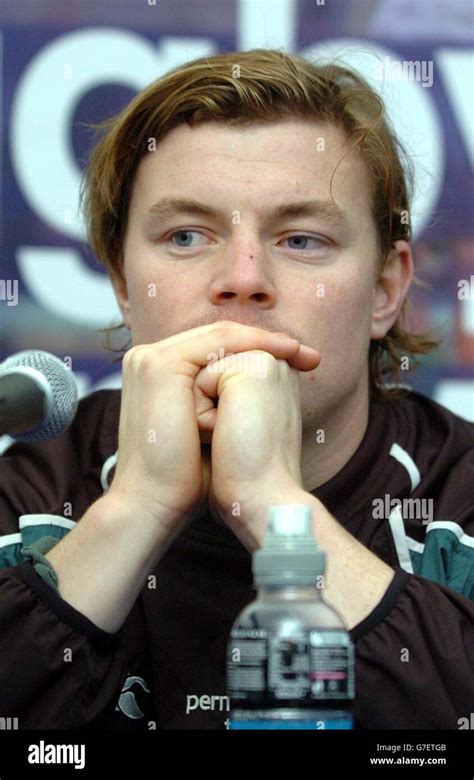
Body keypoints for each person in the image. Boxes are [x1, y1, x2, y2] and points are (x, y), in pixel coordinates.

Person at [0, 49, 472, 730]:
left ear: (384, 289)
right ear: (124, 285)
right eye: (187, 235)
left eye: (302, 239)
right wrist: (137, 508)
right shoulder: (29, 500)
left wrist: (271, 506)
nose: (243, 277)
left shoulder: (461, 498)